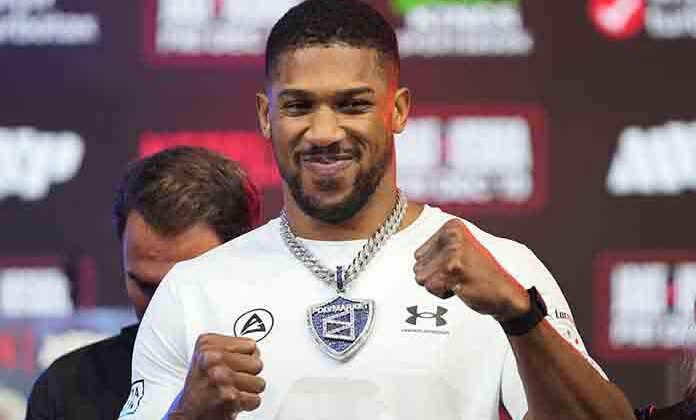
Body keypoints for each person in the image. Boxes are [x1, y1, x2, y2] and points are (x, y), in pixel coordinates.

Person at [120, 1, 635, 419]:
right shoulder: (193, 289)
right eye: (299, 105)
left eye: (353, 104)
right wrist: (187, 415)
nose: (324, 133)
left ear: (398, 109)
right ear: (265, 114)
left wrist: (519, 315)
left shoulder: (503, 269)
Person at [25, 146, 260, 420]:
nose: (163, 310)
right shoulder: (66, 391)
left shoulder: (296, 366)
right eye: (147, 287)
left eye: (186, 288)